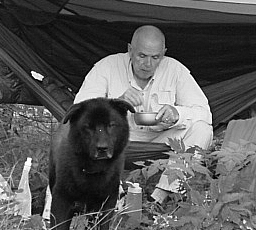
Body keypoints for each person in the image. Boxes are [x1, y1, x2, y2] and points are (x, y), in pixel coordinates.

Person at [74, 25, 213, 151]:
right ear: (130, 50)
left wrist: (177, 114)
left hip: (162, 141)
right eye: (142, 56)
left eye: (155, 57)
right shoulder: (106, 67)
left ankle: (171, 180)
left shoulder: (176, 70)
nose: (148, 64)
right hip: (115, 142)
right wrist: (115, 105)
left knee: (203, 130)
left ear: (164, 53)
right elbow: (80, 112)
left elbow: (205, 114)